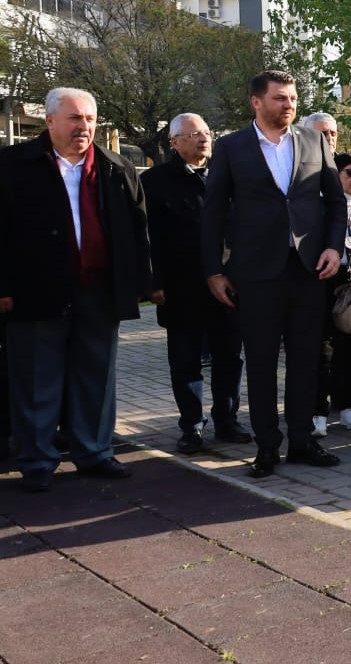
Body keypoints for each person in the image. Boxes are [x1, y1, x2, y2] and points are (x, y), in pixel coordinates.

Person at [0, 88, 151, 492]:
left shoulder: (117, 169)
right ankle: (37, 459)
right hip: (35, 289)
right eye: (74, 118)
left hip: (97, 289)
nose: (84, 126)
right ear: (49, 121)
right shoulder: (13, 165)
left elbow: (138, 232)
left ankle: (94, 452)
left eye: (89, 118)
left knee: (96, 375)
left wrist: (138, 283)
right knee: (36, 377)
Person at [203, 70, 345, 478]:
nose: (289, 105)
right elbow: (212, 214)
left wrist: (334, 247)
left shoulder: (314, 141)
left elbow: (335, 203)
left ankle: (301, 440)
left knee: (306, 360)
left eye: (293, 99)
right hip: (255, 273)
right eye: (281, 98)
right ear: (257, 102)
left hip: (308, 270)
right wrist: (213, 270)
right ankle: (267, 446)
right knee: (262, 362)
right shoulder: (231, 147)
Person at [142, 112, 248, 455]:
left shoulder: (228, 174)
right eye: (193, 134)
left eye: (206, 133)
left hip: (228, 284)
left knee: (229, 357)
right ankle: (191, 425)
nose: (203, 139)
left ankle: (227, 420)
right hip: (180, 286)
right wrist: (153, 282)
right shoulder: (155, 182)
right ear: (174, 142)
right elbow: (145, 237)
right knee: (185, 361)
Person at [313, 153, 351, 437]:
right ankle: (317, 410)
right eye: (350, 173)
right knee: (323, 345)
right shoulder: (321, 205)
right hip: (324, 278)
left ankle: (350, 404)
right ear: (336, 175)